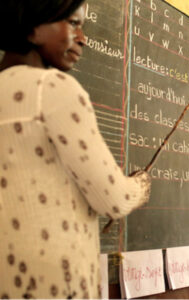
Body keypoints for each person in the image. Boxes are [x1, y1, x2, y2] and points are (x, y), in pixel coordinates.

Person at [0, 0, 151, 298]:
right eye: (73, 23)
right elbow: (114, 199)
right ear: (32, 24)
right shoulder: (53, 88)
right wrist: (141, 184)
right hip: (56, 285)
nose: (82, 38)